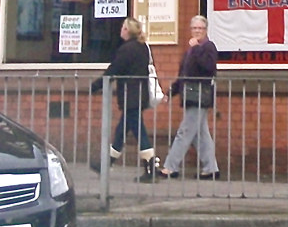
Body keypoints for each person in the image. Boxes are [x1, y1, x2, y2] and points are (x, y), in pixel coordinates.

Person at [90, 17, 158, 181]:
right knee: (121, 131)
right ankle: (106, 164)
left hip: (130, 96)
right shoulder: (143, 47)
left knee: (139, 132)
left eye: (123, 27)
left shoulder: (127, 49)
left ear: (128, 31)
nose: (121, 29)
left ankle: (151, 169)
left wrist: (96, 85)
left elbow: (114, 69)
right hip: (139, 95)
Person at [158, 15, 220, 180]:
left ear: (205, 30)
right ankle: (211, 168)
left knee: (184, 132)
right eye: (194, 28)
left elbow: (209, 67)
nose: (197, 31)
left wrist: (197, 49)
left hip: (200, 96)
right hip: (190, 95)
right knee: (201, 134)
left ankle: (170, 167)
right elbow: (183, 76)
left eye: (200, 28)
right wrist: (171, 92)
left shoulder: (208, 47)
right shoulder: (189, 51)